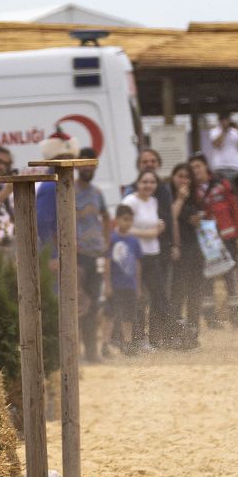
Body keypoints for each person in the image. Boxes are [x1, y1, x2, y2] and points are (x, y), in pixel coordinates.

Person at [190, 153, 238, 329]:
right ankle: (211, 320)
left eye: (198, 166)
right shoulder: (191, 191)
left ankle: (236, 319)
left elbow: (235, 208)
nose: (195, 171)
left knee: (231, 277)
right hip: (206, 242)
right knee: (207, 278)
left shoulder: (222, 185)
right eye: (192, 169)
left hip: (227, 238)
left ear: (205, 167)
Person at [120, 170, 168, 349]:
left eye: (152, 182)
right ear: (137, 183)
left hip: (152, 255)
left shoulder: (153, 202)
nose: (148, 185)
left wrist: (157, 229)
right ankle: (135, 339)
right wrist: (150, 233)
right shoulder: (130, 202)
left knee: (158, 296)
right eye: (144, 182)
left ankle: (155, 337)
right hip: (134, 256)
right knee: (137, 297)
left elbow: (156, 226)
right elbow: (123, 227)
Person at [73, 147, 111, 363]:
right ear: (77, 164)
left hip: (95, 254)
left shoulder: (97, 193)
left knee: (94, 303)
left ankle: (92, 353)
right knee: (77, 302)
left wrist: (105, 242)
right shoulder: (69, 190)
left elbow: (106, 216)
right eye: (84, 162)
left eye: (91, 162)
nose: (88, 166)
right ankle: (74, 353)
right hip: (76, 256)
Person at [168, 161, 206, 349]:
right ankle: (176, 334)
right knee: (177, 295)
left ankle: (192, 334)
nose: (184, 180)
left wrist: (198, 220)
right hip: (178, 252)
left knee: (195, 295)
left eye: (187, 177)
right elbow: (170, 217)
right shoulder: (170, 197)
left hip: (195, 252)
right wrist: (180, 199)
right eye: (180, 176)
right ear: (173, 177)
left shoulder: (194, 198)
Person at [101, 204, 142, 356]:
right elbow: (107, 262)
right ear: (117, 220)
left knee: (128, 316)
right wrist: (107, 285)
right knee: (109, 314)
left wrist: (137, 286)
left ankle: (128, 344)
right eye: (125, 219)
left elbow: (137, 263)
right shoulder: (111, 239)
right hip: (115, 284)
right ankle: (105, 344)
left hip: (129, 285)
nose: (128, 223)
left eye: (131, 220)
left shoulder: (134, 241)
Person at [208, 112, 238, 188]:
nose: (226, 122)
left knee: (235, 191)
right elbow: (216, 144)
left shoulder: (235, 132)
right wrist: (224, 131)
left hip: (235, 166)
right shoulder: (214, 131)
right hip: (220, 166)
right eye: (224, 120)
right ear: (220, 121)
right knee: (221, 189)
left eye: (227, 120)